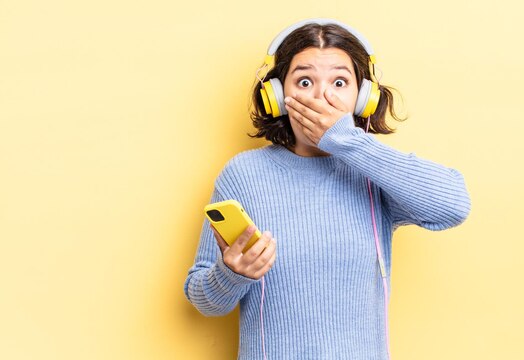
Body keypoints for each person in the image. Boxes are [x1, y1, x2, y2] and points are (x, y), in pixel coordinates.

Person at [184, 18, 471, 360]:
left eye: (339, 82)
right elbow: (203, 299)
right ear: (276, 96)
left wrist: (347, 141)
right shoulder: (244, 174)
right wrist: (232, 274)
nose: (322, 96)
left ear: (363, 97)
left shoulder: (371, 173)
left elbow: (453, 205)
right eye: (304, 81)